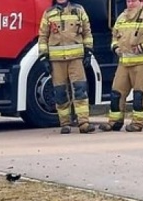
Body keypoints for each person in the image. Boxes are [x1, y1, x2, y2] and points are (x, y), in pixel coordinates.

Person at [100, 0, 143, 132]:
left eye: (133, 1)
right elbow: (114, 36)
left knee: (139, 95)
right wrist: (116, 47)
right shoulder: (121, 17)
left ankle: (137, 123)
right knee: (116, 93)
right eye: (128, 1)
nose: (130, 4)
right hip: (124, 63)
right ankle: (114, 122)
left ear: (141, 2)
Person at [37, 0, 95, 134]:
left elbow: (87, 32)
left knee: (80, 90)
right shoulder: (48, 14)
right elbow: (43, 36)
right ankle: (65, 123)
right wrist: (44, 57)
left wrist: (88, 51)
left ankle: (84, 122)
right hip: (57, 61)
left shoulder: (79, 11)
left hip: (76, 59)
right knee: (60, 92)